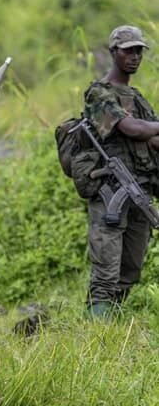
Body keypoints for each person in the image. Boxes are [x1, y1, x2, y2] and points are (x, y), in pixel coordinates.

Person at [83, 25, 156, 317]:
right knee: (105, 273)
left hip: (140, 191)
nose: (135, 56)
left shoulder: (136, 98)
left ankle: (111, 328)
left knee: (131, 270)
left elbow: (150, 136)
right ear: (113, 52)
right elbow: (131, 128)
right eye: (128, 50)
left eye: (139, 50)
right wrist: (145, 130)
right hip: (111, 192)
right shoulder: (98, 94)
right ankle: (94, 335)